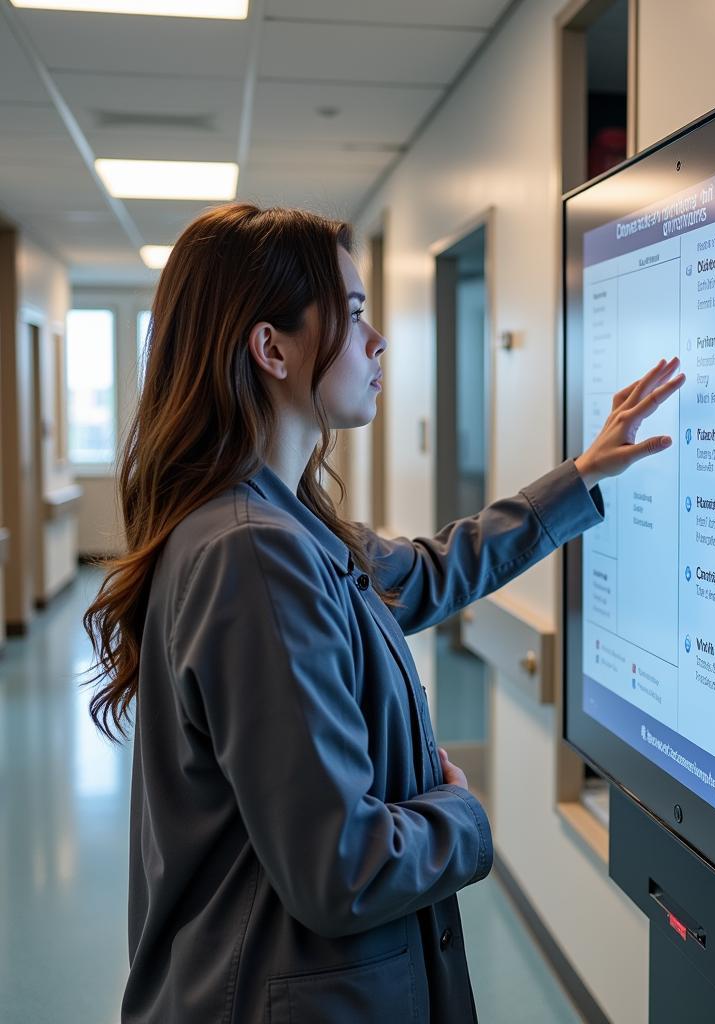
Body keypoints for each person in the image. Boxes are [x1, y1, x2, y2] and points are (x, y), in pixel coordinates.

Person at [83, 202, 684, 1023]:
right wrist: (464, 818)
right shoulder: (251, 553)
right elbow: (345, 869)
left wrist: (581, 475)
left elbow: (431, 570)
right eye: (356, 314)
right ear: (272, 348)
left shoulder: (279, 523)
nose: (378, 341)